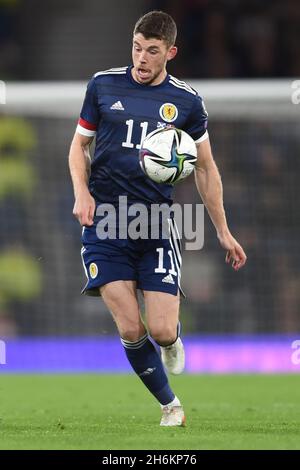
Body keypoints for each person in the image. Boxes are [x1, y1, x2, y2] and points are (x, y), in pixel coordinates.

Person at [68, 10, 247, 427]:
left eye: (152, 51)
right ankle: (171, 406)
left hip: (155, 225)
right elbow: (78, 147)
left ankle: (172, 341)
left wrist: (222, 230)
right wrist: (81, 192)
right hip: (105, 222)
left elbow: (205, 168)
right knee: (131, 327)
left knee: (162, 330)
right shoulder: (103, 85)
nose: (141, 59)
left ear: (171, 52)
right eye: (136, 48)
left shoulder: (186, 101)